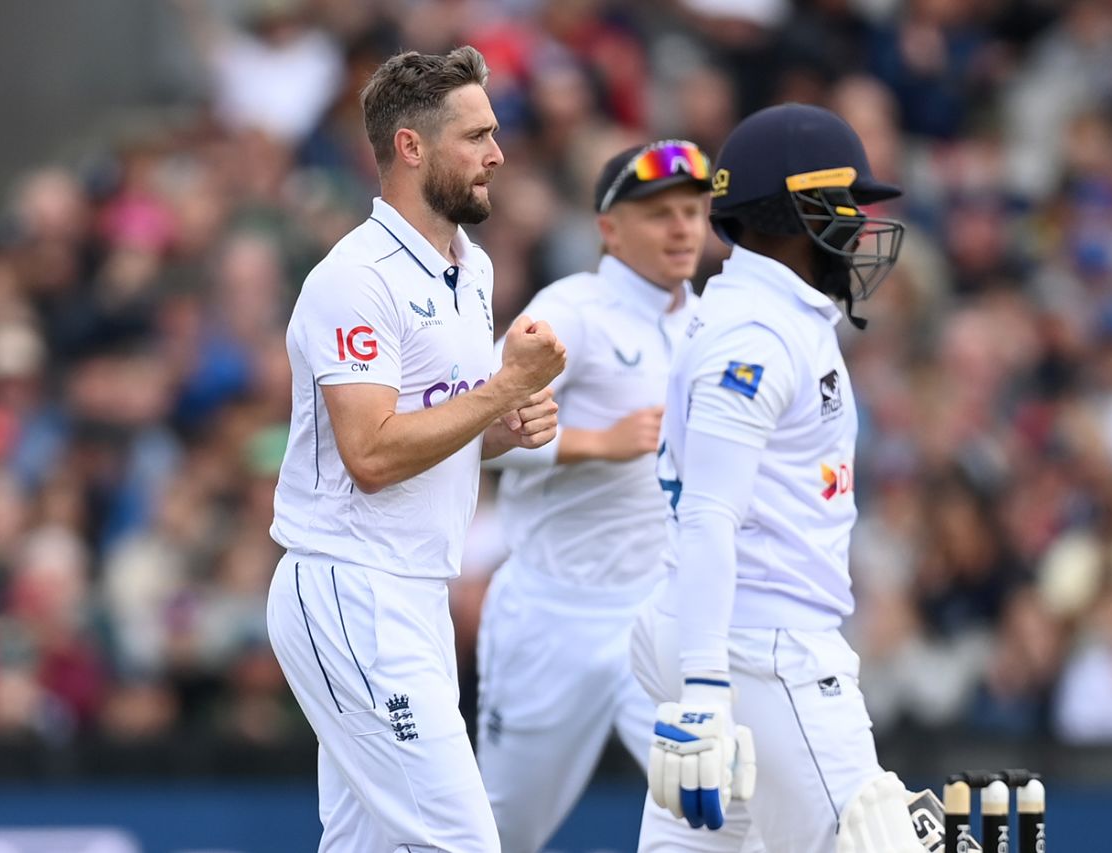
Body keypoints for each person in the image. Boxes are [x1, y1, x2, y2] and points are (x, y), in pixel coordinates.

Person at [265, 47, 566, 853]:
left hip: (415, 590)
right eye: (477, 136)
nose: (497, 155)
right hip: (350, 586)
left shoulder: (474, 270)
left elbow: (440, 424)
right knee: (461, 843)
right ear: (411, 146)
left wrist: (505, 427)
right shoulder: (352, 277)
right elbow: (369, 454)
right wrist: (504, 390)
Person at [630, 103, 924, 852]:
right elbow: (708, 514)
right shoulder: (757, 335)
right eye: (845, 202)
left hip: (724, 636)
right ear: (795, 209)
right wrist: (704, 689)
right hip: (762, 648)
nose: (859, 223)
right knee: (877, 841)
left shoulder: (767, 313)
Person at [476, 139, 715, 852]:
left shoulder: (715, 324)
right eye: (660, 213)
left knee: (719, 817)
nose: (682, 229)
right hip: (555, 614)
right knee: (497, 831)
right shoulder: (570, 311)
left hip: (662, 618)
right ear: (608, 229)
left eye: (695, 211)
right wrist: (596, 441)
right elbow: (477, 425)